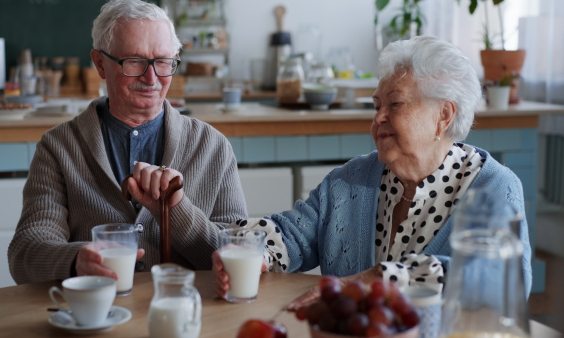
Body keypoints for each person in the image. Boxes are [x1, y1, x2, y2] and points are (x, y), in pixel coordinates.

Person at [213, 35, 532, 306]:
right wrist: (247, 249)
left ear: (444, 115)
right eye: (376, 106)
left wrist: (380, 278)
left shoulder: (493, 189)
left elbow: (500, 281)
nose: (378, 117)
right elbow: (293, 233)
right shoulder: (348, 181)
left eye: (395, 104)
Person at [8, 0, 247, 284]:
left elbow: (239, 256)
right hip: (94, 317)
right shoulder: (59, 147)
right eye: (134, 61)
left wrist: (177, 212)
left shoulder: (213, 147)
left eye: (163, 62)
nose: (151, 78)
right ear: (100, 64)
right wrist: (76, 261)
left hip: (183, 316)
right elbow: (25, 254)